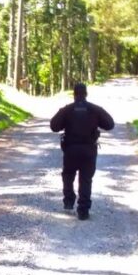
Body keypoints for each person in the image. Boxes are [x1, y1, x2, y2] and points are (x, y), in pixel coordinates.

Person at [49, 82, 114, 221]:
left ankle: (68, 200)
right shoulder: (95, 109)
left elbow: (54, 126)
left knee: (68, 175)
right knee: (86, 179)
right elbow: (110, 124)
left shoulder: (67, 110)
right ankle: (83, 210)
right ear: (86, 94)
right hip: (89, 150)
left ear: (74, 94)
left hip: (70, 149)